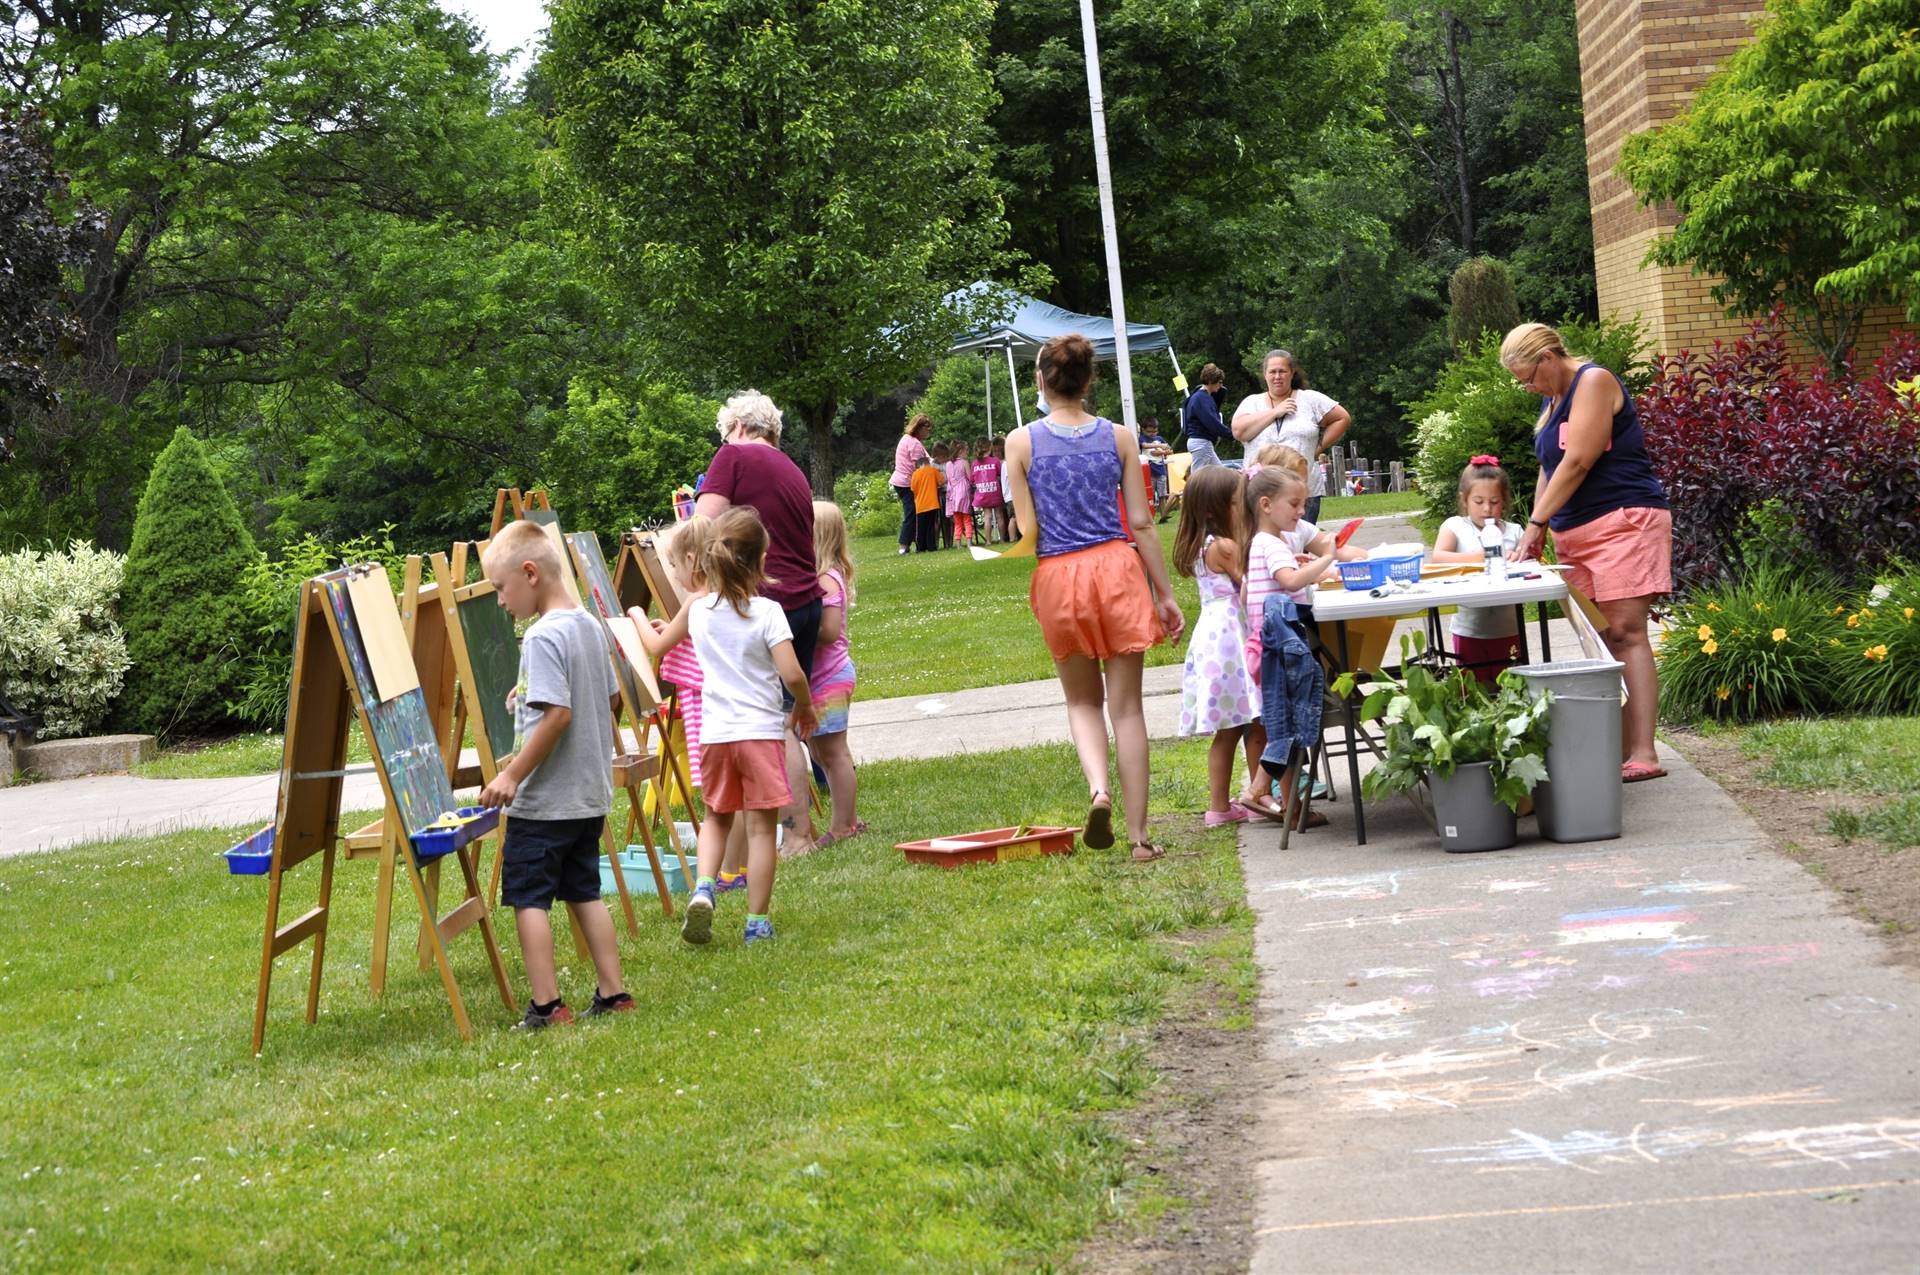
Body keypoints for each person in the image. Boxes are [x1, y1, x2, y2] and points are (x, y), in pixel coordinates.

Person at [1003, 333, 1185, 861]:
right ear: (1089, 381)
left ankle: (1098, 790)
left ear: (1041, 381)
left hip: (1059, 575)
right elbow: (1144, 522)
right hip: (1119, 569)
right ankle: (1140, 837)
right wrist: (1166, 595)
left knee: (1082, 700)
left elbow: (1026, 528)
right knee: (1127, 710)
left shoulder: (1021, 443)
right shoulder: (1121, 438)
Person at [632, 508, 817, 945]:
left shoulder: (698, 612)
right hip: (760, 735)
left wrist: (639, 618)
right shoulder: (768, 612)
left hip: (714, 736)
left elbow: (666, 643)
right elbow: (792, 675)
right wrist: (805, 706)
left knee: (715, 820)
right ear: (760, 561)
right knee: (758, 830)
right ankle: (756, 922)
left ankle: (703, 888)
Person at [478, 520, 633, 1028]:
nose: (500, 602)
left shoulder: (541, 637)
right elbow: (606, 697)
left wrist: (511, 777)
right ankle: (613, 993)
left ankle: (547, 1005)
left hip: (545, 802)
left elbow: (559, 715)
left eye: (501, 589)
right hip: (588, 796)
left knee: (529, 898)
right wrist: (526, 696)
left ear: (530, 574)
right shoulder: (589, 624)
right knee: (584, 890)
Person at [1505, 321, 1674, 783]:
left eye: (1529, 377)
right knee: (1598, 642)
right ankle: (1619, 749)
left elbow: (1579, 459)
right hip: (1574, 532)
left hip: (1623, 521)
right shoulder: (1552, 398)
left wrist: (1537, 523)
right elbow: (1551, 467)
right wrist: (1537, 524)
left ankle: (1645, 751)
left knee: (1625, 632)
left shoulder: (1594, 381)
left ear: (1547, 358)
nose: (1527, 387)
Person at [1240, 466, 1357, 829]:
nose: (1301, 511)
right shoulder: (1271, 543)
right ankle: (1265, 793)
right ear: (1265, 505)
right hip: (1279, 648)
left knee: (1283, 722)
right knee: (1288, 723)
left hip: (1269, 646)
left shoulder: (1264, 543)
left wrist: (1303, 562)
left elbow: (1265, 588)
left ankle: (1279, 799)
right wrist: (1327, 557)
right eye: (1294, 504)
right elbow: (1289, 580)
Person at [1172, 465, 1259, 826]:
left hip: (1213, 636)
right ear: (1214, 509)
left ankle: (1219, 807)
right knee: (1256, 722)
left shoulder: (1201, 544)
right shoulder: (1224, 546)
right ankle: (1261, 796)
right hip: (1231, 640)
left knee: (1229, 730)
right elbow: (1250, 583)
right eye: (1238, 502)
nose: (1244, 509)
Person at [785, 501, 864, 853]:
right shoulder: (818, 577)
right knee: (820, 752)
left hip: (830, 677)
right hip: (820, 679)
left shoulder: (826, 579)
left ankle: (844, 825)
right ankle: (845, 819)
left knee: (834, 755)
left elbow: (830, 632)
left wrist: (793, 632)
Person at [1428, 455, 1525, 684]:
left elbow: (1530, 562)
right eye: (1479, 502)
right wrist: (1479, 558)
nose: (1487, 509)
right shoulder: (1455, 526)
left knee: (1510, 687)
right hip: (1469, 629)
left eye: (1495, 502)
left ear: (1505, 501)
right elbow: (1438, 557)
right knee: (1473, 689)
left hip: (1509, 628)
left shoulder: (1514, 531)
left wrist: (1516, 557)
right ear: (1465, 500)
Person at [1231, 349, 1352, 526]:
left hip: (1302, 491)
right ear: (1265, 375)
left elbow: (1343, 418)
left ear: (1292, 373)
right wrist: (1274, 412)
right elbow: (1238, 431)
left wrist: (1318, 448)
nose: (1277, 376)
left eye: (1282, 371)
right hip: (1260, 492)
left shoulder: (1310, 399)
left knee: (1300, 544)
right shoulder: (1252, 402)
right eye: (1272, 372)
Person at [890, 414, 933, 556]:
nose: (929, 431)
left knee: (913, 511)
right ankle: (904, 545)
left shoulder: (908, 439)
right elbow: (920, 466)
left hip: (901, 481)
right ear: (919, 428)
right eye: (927, 428)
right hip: (905, 482)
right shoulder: (914, 444)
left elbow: (926, 458)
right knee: (912, 512)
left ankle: (914, 542)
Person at [1181, 363, 1233, 470]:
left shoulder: (1197, 396)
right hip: (1201, 442)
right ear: (1210, 381)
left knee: (1219, 474)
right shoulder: (1202, 398)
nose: (1220, 385)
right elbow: (1212, 423)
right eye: (1219, 382)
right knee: (1199, 478)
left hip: (1199, 442)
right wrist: (1232, 434)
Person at [970, 438, 1005, 544]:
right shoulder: (995, 461)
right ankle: (1002, 539)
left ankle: (988, 541)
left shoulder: (974, 463)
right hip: (995, 492)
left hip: (983, 494)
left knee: (987, 516)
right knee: (999, 515)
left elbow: (972, 480)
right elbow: (1000, 473)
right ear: (989, 448)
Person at [909, 454, 941, 552]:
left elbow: (913, 488)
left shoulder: (915, 474)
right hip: (933, 503)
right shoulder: (933, 470)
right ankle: (931, 546)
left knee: (921, 527)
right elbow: (941, 481)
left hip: (921, 505)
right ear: (927, 463)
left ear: (919, 465)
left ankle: (921, 547)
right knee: (931, 526)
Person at [1139, 416, 1172, 511]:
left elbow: (1169, 450)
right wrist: (1160, 446)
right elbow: (1145, 446)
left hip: (1161, 470)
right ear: (1143, 430)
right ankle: (1150, 514)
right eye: (1149, 432)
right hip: (1149, 471)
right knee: (1150, 495)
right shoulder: (1142, 438)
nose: (1152, 434)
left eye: (1155, 432)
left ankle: (1164, 514)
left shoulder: (1160, 438)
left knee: (1162, 494)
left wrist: (1162, 451)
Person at [946, 439, 975, 546]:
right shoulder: (964, 462)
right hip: (963, 493)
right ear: (960, 451)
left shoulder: (948, 464)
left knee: (957, 521)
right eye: (966, 450)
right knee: (967, 519)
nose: (967, 452)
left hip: (952, 494)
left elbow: (949, 478)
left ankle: (958, 544)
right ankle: (969, 542)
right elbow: (970, 478)